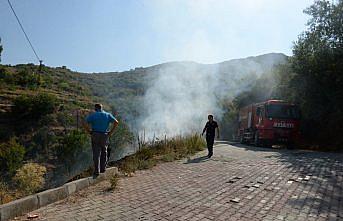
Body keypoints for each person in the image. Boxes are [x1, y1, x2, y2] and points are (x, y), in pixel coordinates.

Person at [83, 103, 119, 178]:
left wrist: (89, 131)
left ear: (95, 108)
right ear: (101, 108)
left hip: (95, 134)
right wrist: (110, 132)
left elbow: (85, 122)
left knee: (96, 153)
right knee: (104, 152)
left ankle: (97, 171)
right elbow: (116, 122)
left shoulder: (93, 115)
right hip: (105, 135)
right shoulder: (107, 115)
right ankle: (103, 169)